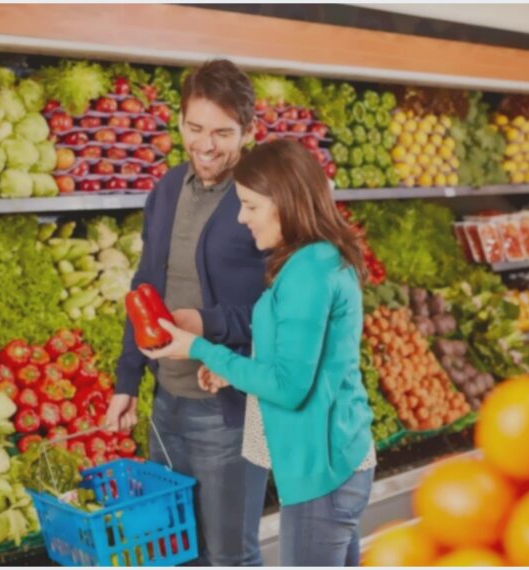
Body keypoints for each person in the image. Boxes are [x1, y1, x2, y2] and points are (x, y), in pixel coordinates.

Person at [143, 139, 377, 567]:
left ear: (285, 202)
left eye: (250, 206)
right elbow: (299, 357)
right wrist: (233, 371)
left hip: (319, 473)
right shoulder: (314, 259)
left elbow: (289, 388)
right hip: (334, 459)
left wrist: (197, 349)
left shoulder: (308, 272)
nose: (241, 217)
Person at [103, 59, 267, 566]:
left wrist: (208, 326)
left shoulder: (264, 198)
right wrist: (128, 379)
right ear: (179, 123)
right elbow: (144, 287)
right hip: (166, 404)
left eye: (223, 132)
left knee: (229, 557)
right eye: (195, 128)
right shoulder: (169, 188)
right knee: (176, 552)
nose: (207, 144)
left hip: (231, 411)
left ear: (249, 132)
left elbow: (279, 313)